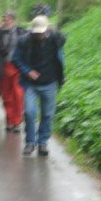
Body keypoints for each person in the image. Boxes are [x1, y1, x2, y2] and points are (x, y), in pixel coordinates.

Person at [13, 15, 66, 157]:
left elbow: (63, 42)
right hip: (30, 84)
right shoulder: (24, 41)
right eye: (37, 33)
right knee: (30, 113)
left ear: (47, 30)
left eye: (41, 32)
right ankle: (30, 142)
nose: (39, 35)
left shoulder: (55, 38)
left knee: (47, 114)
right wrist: (27, 71)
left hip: (50, 83)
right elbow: (15, 58)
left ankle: (43, 142)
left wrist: (61, 75)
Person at [0, 11, 26, 132]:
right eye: (4, 19)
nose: (5, 21)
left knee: (18, 94)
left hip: (18, 67)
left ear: (13, 20)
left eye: (7, 19)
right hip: (4, 67)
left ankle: (17, 122)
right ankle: (9, 120)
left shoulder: (21, 32)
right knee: (6, 95)